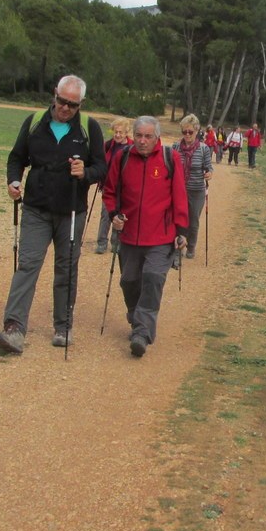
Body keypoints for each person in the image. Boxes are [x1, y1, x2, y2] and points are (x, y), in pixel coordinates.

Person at [0, 75, 107, 354]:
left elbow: (102, 168)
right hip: (36, 209)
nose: (65, 108)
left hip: (71, 212)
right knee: (28, 265)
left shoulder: (89, 128)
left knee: (66, 269)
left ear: (81, 104)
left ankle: (63, 326)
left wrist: (85, 173)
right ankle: (14, 328)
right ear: (54, 94)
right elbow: (17, 157)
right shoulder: (34, 123)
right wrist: (13, 181)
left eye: (72, 104)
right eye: (62, 101)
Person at [103, 115, 188, 358]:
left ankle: (142, 332)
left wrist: (181, 231)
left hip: (161, 236)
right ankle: (136, 316)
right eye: (139, 135)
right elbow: (109, 192)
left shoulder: (169, 158)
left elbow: (180, 196)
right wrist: (113, 214)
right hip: (129, 235)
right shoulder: (123, 157)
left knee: (152, 278)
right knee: (129, 281)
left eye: (148, 136)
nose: (142, 141)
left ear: (157, 138)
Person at [172, 114, 214, 259]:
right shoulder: (175, 147)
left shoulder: (204, 149)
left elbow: (209, 168)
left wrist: (209, 173)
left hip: (196, 190)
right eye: (185, 132)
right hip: (179, 190)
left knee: (193, 220)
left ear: (197, 131)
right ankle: (178, 246)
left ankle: (191, 246)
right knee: (178, 218)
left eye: (191, 132)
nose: (187, 135)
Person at [95, 116, 133, 254]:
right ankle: (101, 243)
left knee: (120, 215)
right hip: (108, 186)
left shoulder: (131, 147)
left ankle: (116, 242)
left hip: (124, 188)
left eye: (120, 132)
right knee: (106, 215)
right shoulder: (108, 145)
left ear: (126, 132)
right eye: (115, 132)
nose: (117, 135)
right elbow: (100, 161)